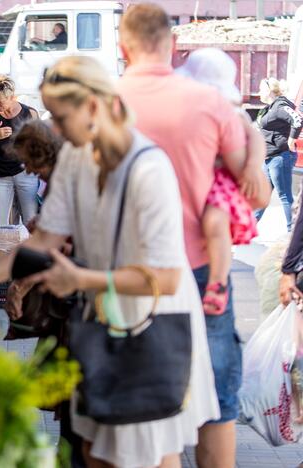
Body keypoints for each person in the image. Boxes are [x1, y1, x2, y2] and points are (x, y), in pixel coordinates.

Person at [0, 55, 219, 468]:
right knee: (94, 451)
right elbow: (44, 239)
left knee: (151, 451)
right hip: (99, 323)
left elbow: (166, 278)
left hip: (150, 327)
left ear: (93, 107)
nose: (53, 125)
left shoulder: (148, 167)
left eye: (59, 114)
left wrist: (82, 279)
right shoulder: (73, 157)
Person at [116, 4, 267, 466]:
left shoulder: (103, 103)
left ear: (123, 48)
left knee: (147, 405)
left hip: (125, 275)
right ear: (173, 45)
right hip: (201, 272)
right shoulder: (210, 103)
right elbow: (255, 194)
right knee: (217, 400)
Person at [176, 48, 271, 315]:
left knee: (216, 223)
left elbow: (255, 138)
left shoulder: (232, 112)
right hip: (202, 178)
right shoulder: (189, 108)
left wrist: (252, 167)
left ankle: (217, 283)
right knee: (212, 227)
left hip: (220, 183)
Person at [0, 76, 40, 226]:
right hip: (0, 175)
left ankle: (27, 250)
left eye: (1, 101)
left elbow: (40, 148)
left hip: (26, 174)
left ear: (13, 97)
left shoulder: (30, 114)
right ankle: (0, 250)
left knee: (30, 222)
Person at [255, 77, 302, 231]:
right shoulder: (270, 107)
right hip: (269, 159)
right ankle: (247, 229)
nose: (259, 91)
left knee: (285, 197)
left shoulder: (280, 106)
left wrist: (290, 141)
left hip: (279, 158)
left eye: (262, 88)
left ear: (269, 90)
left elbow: (297, 119)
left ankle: (292, 232)